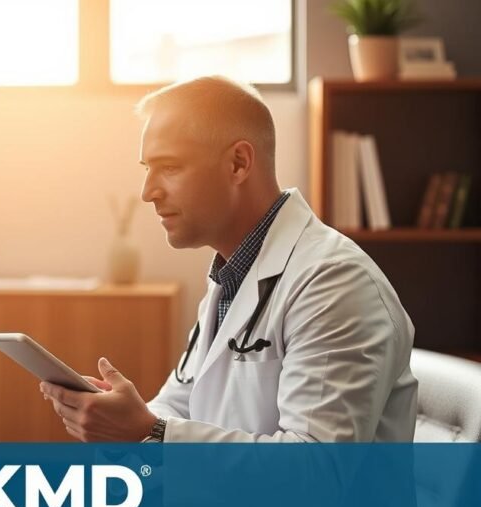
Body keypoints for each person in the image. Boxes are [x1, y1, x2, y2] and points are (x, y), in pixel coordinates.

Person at [40, 76, 417, 443]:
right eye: (147, 170)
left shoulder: (335, 282)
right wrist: (118, 420)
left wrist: (148, 431)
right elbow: (179, 405)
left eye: (169, 167)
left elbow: (317, 476)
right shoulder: (232, 276)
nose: (147, 192)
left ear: (238, 163)